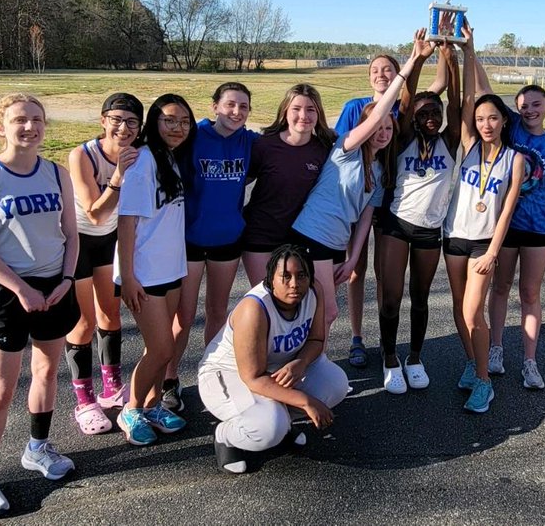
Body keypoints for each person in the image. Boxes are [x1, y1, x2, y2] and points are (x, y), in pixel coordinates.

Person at [0, 93, 79, 520]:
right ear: (0, 127)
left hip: (55, 288)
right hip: (8, 292)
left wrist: (66, 279)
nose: (29, 127)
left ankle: (37, 449)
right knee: (1, 391)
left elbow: (72, 232)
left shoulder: (56, 173)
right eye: (19, 120)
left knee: (47, 371)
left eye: (36, 120)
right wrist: (20, 289)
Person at [292, 29, 433, 335]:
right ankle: (306, 364)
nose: (382, 132)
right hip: (312, 234)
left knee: (318, 308)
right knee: (320, 309)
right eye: (376, 127)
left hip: (337, 241)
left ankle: (313, 363)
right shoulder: (347, 148)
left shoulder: (379, 173)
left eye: (387, 128)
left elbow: (367, 217)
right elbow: (374, 117)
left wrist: (353, 257)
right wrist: (408, 64)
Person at [332, 41, 443, 367]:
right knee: (354, 270)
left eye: (388, 69)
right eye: (376, 70)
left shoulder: (403, 108)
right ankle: (356, 338)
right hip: (357, 195)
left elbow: (439, 85)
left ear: (398, 74)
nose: (382, 74)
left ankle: (385, 340)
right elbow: (340, 149)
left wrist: (434, 50)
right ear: (369, 78)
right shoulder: (356, 107)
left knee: (385, 275)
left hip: (389, 201)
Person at [198, 244, 347, 474]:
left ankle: (283, 421)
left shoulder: (314, 290)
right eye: (285, 276)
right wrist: (305, 401)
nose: (294, 284)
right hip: (228, 375)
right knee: (269, 427)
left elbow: (316, 339)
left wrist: (301, 362)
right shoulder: (254, 309)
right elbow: (253, 377)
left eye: (301, 275)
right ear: (270, 279)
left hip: (274, 368)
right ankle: (226, 435)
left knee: (336, 383)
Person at [443, 25, 526, 413]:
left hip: (482, 243)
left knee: (472, 312)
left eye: (493, 118)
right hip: (454, 237)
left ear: (504, 120)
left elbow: (507, 209)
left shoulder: (515, 159)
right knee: (460, 308)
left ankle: (484, 380)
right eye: (480, 119)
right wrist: (463, 50)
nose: (485, 124)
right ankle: (473, 363)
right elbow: (467, 96)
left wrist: (494, 250)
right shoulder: (469, 145)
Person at [164, 83, 260, 413]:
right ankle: (169, 378)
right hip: (190, 239)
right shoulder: (195, 135)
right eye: (230, 105)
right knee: (184, 315)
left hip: (228, 239)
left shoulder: (250, 141)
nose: (236, 112)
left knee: (218, 313)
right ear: (215, 106)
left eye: (243, 107)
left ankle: (211, 373)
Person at [474, 66, 545, 390]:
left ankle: (530, 361)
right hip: (505, 225)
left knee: (530, 293)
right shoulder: (512, 128)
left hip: (539, 229)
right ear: (516, 110)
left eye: (536, 104)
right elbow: (485, 90)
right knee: (499, 288)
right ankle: (496, 349)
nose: (530, 110)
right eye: (524, 105)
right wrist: (471, 52)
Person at [376, 41, 461, 394]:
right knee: (392, 296)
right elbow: (408, 101)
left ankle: (414, 357)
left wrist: (451, 60)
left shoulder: (450, 140)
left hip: (430, 230)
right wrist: (420, 59)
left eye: (435, 114)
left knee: (421, 297)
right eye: (423, 113)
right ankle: (389, 357)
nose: (430, 117)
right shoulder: (405, 135)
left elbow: (455, 104)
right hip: (397, 224)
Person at [114, 94, 196, 445]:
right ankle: (130, 409)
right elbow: (127, 222)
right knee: (161, 348)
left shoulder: (170, 159)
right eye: (169, 120)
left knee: (164, 346)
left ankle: (150, 406)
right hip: (144, 275)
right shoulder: (143, 160)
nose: (177, 128)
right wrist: (128, 276)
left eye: (184, 122)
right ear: (154, 122)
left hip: (170, 271)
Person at [64, 93, 142, 435]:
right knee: (82, 323)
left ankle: (113, 389)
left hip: (109, 242)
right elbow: (95, 213)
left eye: (132, 122)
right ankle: (85, 400)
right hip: (78, 241)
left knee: (110, 315)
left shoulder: (139, 155)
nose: (123, 128)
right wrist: (119, 176)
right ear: (103, 120)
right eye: (117, 120)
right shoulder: (83, 155)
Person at [241, 84, 337, 286]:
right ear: (285, 111)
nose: (304, 115)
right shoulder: (264, 145)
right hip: (261, 236)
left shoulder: (325, 149)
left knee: (297, 303)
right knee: (267, 301)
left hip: (301, 238)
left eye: (311, 109)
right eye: (296, 109)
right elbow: (238, 183)